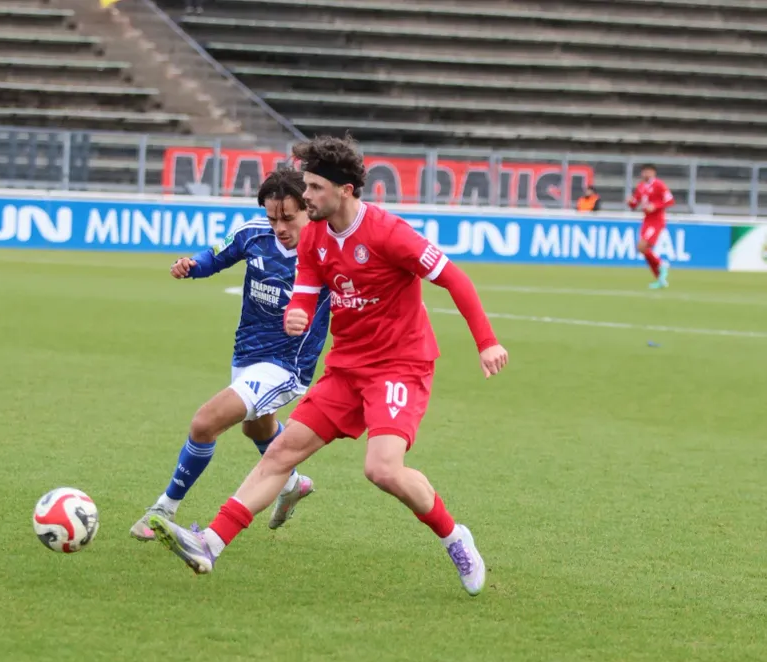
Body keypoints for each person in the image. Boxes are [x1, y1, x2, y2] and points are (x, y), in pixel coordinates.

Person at [148, 135, 509, 597]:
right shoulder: (314, 235)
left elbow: (455, 279)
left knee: (382, 470)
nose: (308, 197)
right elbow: (307, 283)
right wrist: (298, 310)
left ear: (345, 190)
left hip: (400, 365)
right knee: (282, 453)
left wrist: (487, 342)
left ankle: (455, 537)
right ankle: (211, 542)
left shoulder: (389, 233)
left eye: (315, 188)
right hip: (346, 367)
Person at [130, 168, 331, 540]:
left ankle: (164, 507)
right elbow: (215, 256)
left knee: (205, 422)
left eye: (288, 217)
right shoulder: (253, 234)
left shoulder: (327, 252)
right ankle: (292, 485)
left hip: (287, 366)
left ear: (308, 209)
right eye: (273, 217)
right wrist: (191, 266)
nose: (279, 226)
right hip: (247, 354)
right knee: (256, 428)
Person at [628, 164, 675, 289]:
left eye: (649, 171)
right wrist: (630, 202)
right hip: (646, 221)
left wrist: (655, 205)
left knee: (642, 246)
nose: (646, 174)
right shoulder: (641, 186)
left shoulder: (659, 185)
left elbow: (670, 200)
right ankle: (660, 278)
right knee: (643, 249)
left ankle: (661, 264)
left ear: (654, 173)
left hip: (656, 221)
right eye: (644, 171)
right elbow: (634, 204)